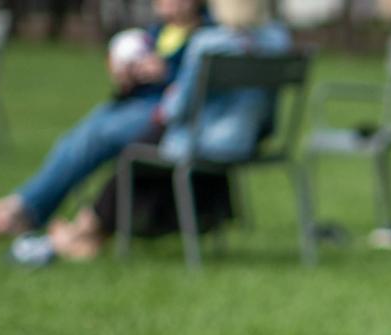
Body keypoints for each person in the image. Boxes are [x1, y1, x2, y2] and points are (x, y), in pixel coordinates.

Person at [25, 0, 291, 264]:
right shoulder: (279, 40)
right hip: (250, 141)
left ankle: (85, 230)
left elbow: (178, 108)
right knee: (149, 146)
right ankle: (87, 232)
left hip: (205, 143)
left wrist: (165, 97)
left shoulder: (209, 44)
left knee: (140, 153)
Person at [0, 0, 205, 238]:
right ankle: (21, 204)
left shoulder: (204, 35)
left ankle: (27, 210)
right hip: (136, 105)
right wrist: (129, 75)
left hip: (167, 117)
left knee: (95, 135)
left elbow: (196, 86)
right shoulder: (156, 33)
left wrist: (166, 73)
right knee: (75, 138)